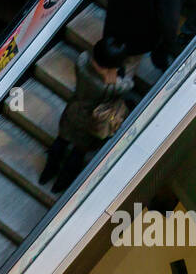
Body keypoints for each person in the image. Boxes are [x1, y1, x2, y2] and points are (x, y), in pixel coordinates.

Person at [39, 37, 134, 193]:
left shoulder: (82, 64)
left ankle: (48, 171)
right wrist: (112, 77)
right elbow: (128, 85)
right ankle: (61, 184)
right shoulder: (110, 86)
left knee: (61, 140)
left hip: (72, 111)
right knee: (78, 152)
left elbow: (85, 55)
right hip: (90, 121)